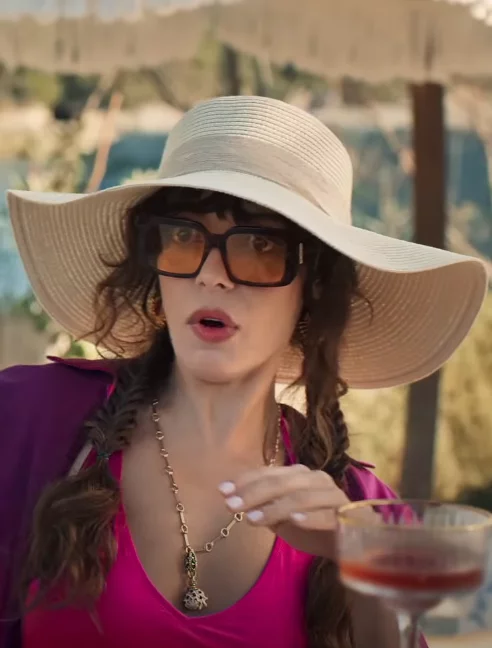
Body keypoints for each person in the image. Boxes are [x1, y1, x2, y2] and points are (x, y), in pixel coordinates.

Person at [0, 95, 486, 648]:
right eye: (184, 238)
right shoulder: (28, 420)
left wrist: (360, 561)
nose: (212, 276)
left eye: (259, 246)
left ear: (314, 287)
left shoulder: (360, 508)